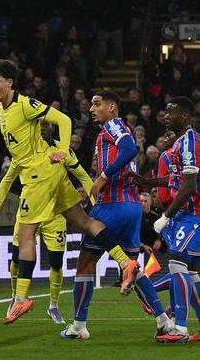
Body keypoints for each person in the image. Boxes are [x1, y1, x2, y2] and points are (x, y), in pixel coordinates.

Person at [0, 59, 138, 326]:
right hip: (49, 174)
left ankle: (20, 298)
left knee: (26, 234)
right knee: (84, 221)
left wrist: (63, 149)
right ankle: (125, 262)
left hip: (39, 176)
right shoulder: (1, 109)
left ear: (10, 83)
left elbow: (63, 119)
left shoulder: (25, 104)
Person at [60, 91, 173, 340]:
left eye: (97, 104)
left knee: (85, 264)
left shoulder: (113, 126)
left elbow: (130, 149)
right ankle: (163, 321)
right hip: (131, 207)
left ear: (112, 108)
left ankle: (78, 325)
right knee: (131, 268)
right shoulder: (114, 131)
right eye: (91, 105)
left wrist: (102, 176)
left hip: (111, 205)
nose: (92, 109)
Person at [0, 121, 94, 325]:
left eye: (46, 125)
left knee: (56, 262)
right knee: (16, 258)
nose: (42, 128)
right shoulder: (24, 150)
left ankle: (53, 306)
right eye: (39, 125)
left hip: (56, 216)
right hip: (29, 213)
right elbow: (7, 180)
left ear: (52, 128)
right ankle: (15, 297)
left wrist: (95, 203)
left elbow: (82, 175)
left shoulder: (63, 150)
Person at [150, 97, 200, 342]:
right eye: (166, 112)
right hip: (189, 214)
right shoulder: (180, 143)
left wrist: (165, 216)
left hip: (194, 214)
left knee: (176, 264)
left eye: (172, 112)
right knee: (191, 271)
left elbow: (189, 185)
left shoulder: (189, 141)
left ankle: (179, 327)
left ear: (185, 116)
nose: (166, 116)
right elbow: (177, 181)